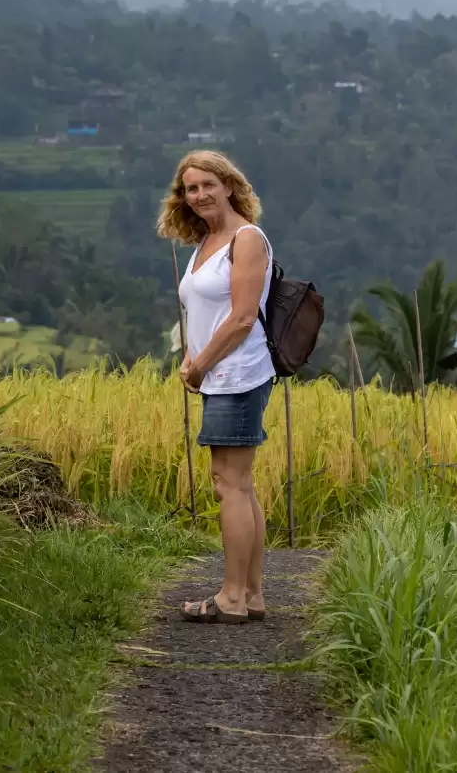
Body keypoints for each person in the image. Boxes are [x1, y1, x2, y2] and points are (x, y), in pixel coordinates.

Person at [158, 150, 274, 625]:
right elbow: (203, 314)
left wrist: (201, 365)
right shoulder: (207, 242)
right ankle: (251, 594)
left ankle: (231, 598)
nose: (199, 194)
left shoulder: (246, 239)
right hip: (216, 375)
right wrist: (191, 358)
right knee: (238, 486)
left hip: (238, 375)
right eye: (190, 188)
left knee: (230, 485)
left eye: (208, 184)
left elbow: (244, 318)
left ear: (230, 185)